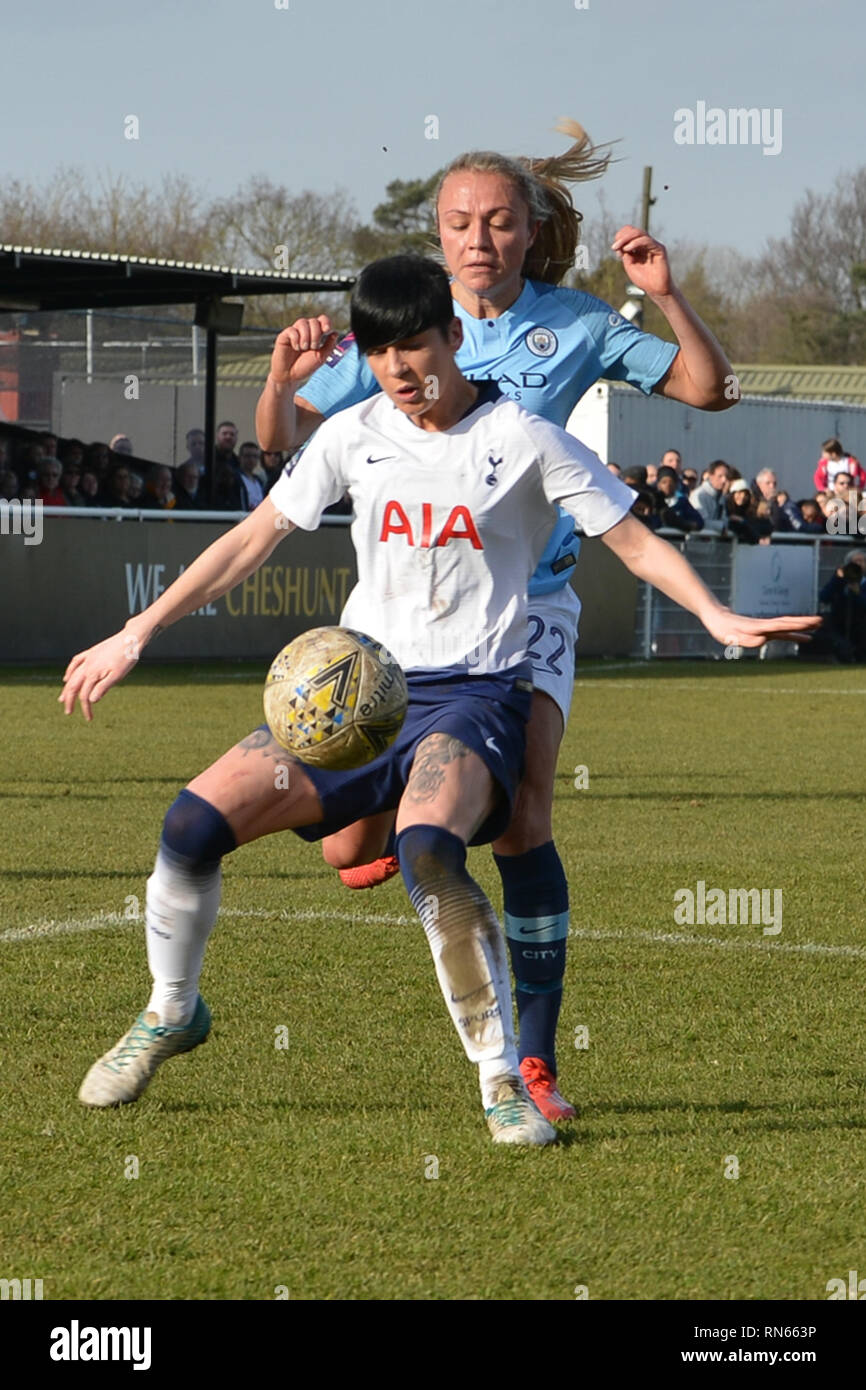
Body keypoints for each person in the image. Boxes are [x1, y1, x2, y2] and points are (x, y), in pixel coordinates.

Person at [60, 255, 818, 1146]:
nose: (398, 371)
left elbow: (634, 539)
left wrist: (716, 616)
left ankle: (502, 1079)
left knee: (428, 849)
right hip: (361, 696)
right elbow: (250, 541)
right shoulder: (353, 435)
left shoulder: (523, 438)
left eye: (414, 348)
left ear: (453, 337)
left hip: (477, 697)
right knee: (190, 825)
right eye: (381, 354)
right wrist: (136, 630)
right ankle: (171, 1011)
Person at [255, 121, 742, 1122]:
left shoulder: (576, 323)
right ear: (434, 235)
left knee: (526, 816)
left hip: (531, 606)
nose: (476, 237)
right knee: (346, 851)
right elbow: (284, 443)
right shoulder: (403, 330)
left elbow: (707, 389)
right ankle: (423, 823)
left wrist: (663, 296)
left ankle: (530, 1061)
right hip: (409, 614)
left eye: (497, 222)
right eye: (457, 222)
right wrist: (279, 377)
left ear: (529, 233)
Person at [653, 464, 703, 532]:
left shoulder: (682, 503)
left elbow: (699, 522)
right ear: (658, 485)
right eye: (664, 482)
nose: (668, 485)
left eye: (671, 482)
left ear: (676, 484)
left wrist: (680, 523)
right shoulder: (653, 502)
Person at [689, 460, 730, 533]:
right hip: (697, 540)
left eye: (726, 476)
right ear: (711, 476)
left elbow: (724, 519)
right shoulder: (699, 495)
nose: (724, 480)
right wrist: (721, 527)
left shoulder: (721, 496)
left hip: (714, 540)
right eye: (720, 476)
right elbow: (702, 521)